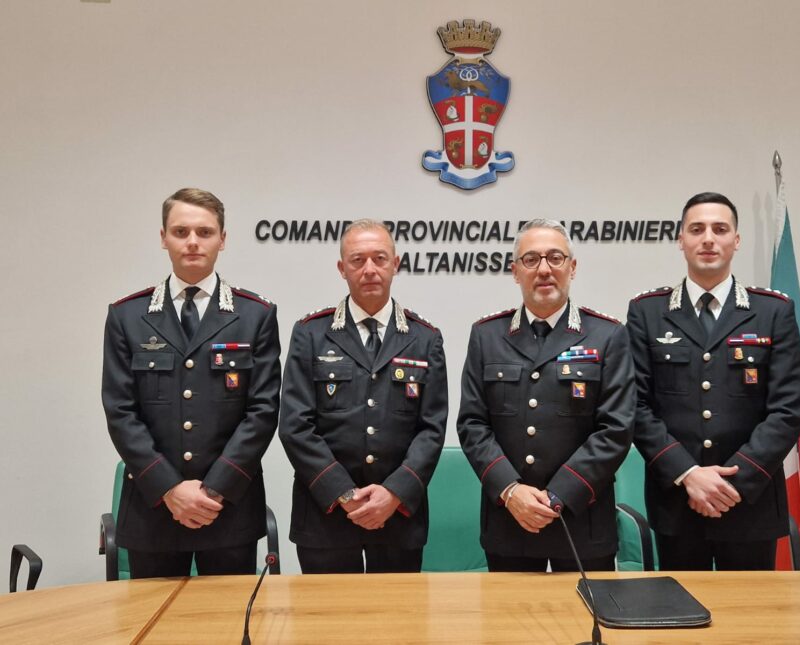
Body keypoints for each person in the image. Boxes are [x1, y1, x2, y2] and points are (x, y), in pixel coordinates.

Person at [102, 187, 281, 578]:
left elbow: (263, 411)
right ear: (163, 238)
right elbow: (120, 411)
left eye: (205, 232)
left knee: (230, 616)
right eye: (181, 232)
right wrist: (169, 488)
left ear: (223, 239)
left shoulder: (256, 315)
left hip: (228, 509)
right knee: (152, 616)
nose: (193, 242)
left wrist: (214, 489)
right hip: (153, 510)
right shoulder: (127, 316)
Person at [626, 192, 800, 570]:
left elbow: (788, 410)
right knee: (679, 605)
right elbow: (636, 406)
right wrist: (688, 473)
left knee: (751, 608)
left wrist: (732, 483)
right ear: (681, 240)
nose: (708, 238)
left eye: (720, 229)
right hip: (678, 502)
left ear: (736, 241)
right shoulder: (648, 312)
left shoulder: (773, 311)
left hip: (750, 504)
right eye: (697, 229)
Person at [457, 219, 634, 572]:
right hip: (509, 521)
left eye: (555, 258)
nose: (544, 269)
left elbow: (616, 428)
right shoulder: (487, 336)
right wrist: (510, 491)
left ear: (572, 267)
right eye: (531, 259)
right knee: (509, 610)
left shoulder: (608, 335)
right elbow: (473, 424)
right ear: (515, 271)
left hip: (583, 520)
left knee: (588, 609)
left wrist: (559, 495)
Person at [280, 219, 447, 573]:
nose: (369, 269)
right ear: (342, 268)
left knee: (397, 610)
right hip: (325, 517)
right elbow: (296, 425)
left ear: (395, 264)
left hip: (398, 518)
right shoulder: (311, 333)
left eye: (379, 258)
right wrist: (343, 493)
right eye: (357, 260)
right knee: (326, 611)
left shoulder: (424, 338)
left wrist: (395, 493)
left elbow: (431, 429)